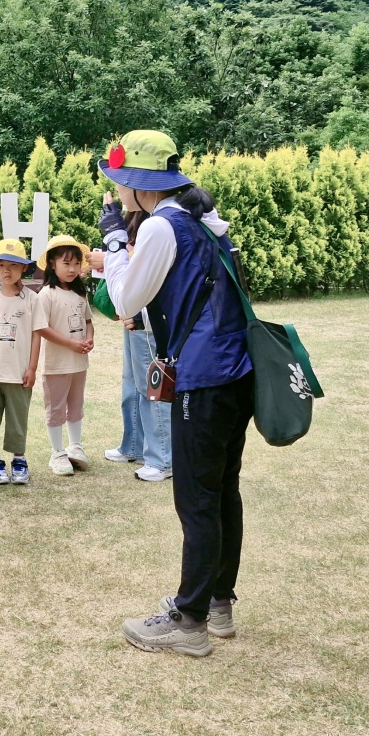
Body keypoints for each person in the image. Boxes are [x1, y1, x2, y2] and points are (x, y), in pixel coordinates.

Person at [89, 130, 253, 658]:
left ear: (141, 185)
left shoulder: (162, 225)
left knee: (197, 499)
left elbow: (124, 300)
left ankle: (189, 621)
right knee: (221, 491)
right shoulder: (204, 219)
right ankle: (217, 602)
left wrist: (115, 242)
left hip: (202, 377)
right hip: (236, 371)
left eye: (120, 183)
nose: (117, 192)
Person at [101, 204, 173, 483]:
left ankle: (162, 458)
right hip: (134, 314)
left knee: (153, 388)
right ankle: (134, 445)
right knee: (132, 383)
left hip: (148, 318)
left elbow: (147, 276)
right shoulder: (138, 220)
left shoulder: (157, 225)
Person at [0, 239, 40, 486]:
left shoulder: (32, 299)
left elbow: (36, 335)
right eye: (1, 265)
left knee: (17, 418)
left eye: (13, 265)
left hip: (19, 371)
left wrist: (32, 367)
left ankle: (19, 460)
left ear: (24, 268)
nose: (6, 270)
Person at [34, 235, 95, 476]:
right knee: (56, 407)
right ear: (52, 264)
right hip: (56, 364)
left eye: (76, 264)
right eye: (66, 263)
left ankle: (75, 446)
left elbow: (88, 321)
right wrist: (70, 343)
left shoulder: (80, 293)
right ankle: (57, 452)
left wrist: (89, 339)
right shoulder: (46, 294)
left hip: (79, 363)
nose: (72, 269)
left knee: (76, 405)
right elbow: (41, 328)